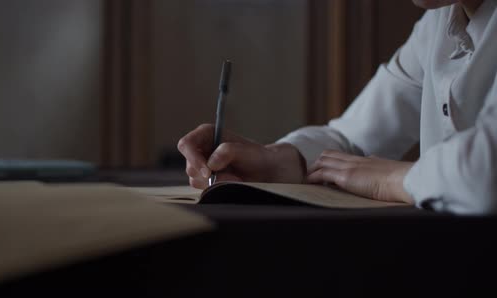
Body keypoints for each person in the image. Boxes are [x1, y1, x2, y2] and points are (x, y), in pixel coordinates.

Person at [177, 0, 497, 214]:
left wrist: (392, 180)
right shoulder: (438, 22)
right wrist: (279, 161)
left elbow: (485, 175)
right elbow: (353, 138)